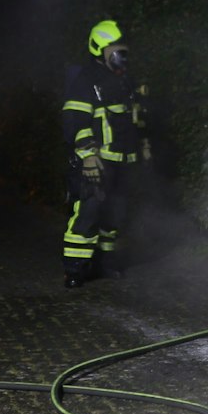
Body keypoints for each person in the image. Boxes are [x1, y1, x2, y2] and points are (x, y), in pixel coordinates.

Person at [59, 19, 142, 288]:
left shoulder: (123, 81)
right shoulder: (86, 81)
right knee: (88, 215)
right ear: (99, 50)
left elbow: (132, 120)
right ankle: (75, 270)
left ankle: (107, 264)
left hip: (122, 163)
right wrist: (89, 156)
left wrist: (143, 149)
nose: (121, 59)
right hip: (97, 163)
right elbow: (75, 122)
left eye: (123, 53)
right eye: (116, 53)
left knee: (114, 217)